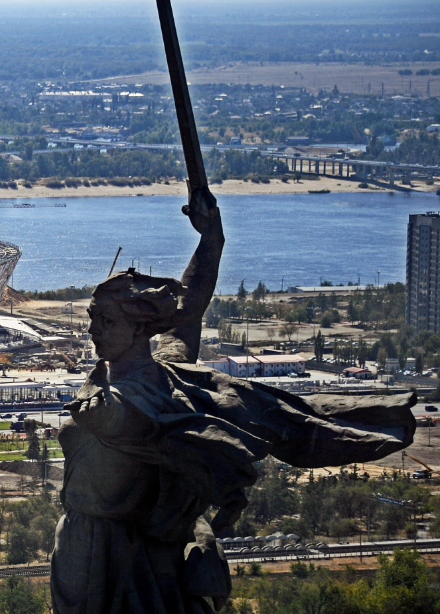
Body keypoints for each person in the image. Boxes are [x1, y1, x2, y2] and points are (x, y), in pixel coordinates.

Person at [49, 189, 415, 614]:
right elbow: (191, 303)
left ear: (138, 330)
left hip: (112, 559)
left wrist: (93, 387)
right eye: (93, 317)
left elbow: (101, 414)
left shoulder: (136, 404)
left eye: (106, 321)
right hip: (93, 545)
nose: (93, 330)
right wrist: (210, 241)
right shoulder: (170, 370)